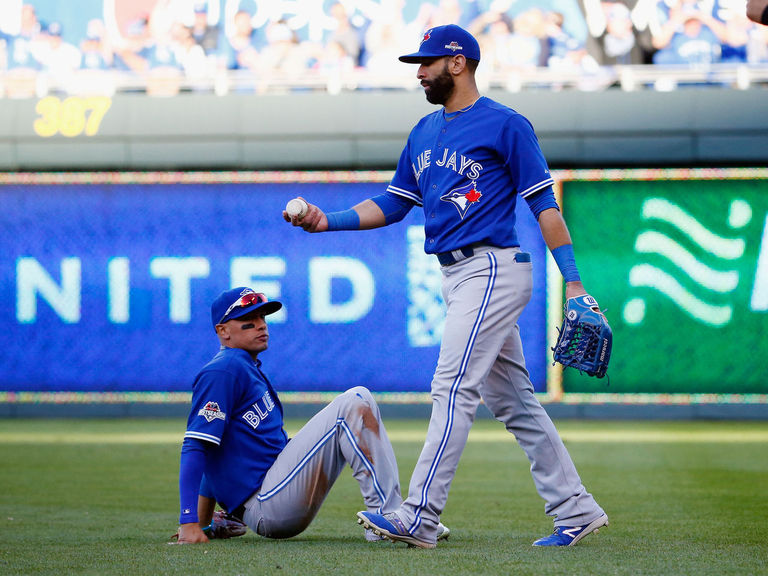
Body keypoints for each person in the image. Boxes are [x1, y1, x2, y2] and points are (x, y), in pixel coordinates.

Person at [284, 24, 608, 549]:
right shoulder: (424, 131)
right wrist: (329, 221)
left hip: (493, 268)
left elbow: (544, 206)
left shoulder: (506, 125)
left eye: (428, 62)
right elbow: (393, 204)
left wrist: (573, 282)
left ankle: (420, 516)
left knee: (452, 387)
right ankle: (576, 509)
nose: (419, 71)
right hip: (457, 276)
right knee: (516, 403)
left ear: (457, 63)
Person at [175, 287, 449, 544]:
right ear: (223, 331)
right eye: (248, 319)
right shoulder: (223, 370)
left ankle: (398, 514)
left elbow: (216, 450)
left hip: (273, 492)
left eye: (262, 316)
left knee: (354, 404)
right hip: (267, 503)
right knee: (356, 401)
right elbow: (198, 444)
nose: (260, 324)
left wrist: (205, 523)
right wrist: (189, 522)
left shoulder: (244, 366)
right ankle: (391, 516)